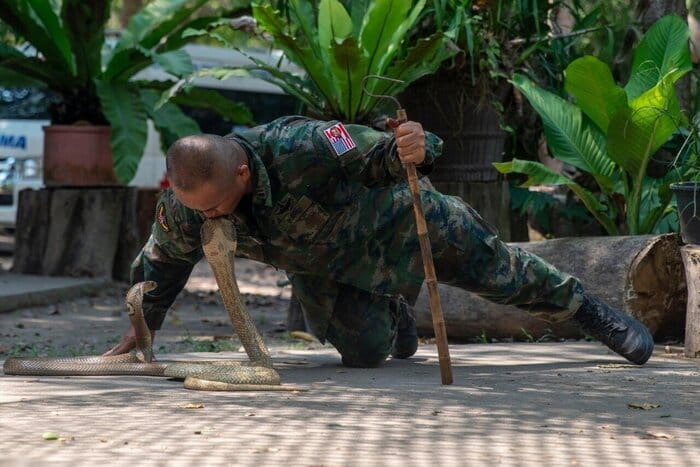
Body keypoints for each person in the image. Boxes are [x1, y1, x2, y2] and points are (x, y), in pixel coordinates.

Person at [104, 116, 654, 367]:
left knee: (503, 274)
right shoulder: (188, 205)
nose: (210, 217)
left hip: (400, 226)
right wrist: (142, 321)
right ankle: (394, 311)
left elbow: (388, 154)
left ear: (242, 172)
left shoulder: (307, 144)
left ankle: (592, 313)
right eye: (199, 210)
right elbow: (162, 261)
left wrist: (415, 145)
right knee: (365, 354)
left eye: (217, 206)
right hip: (323, 268)